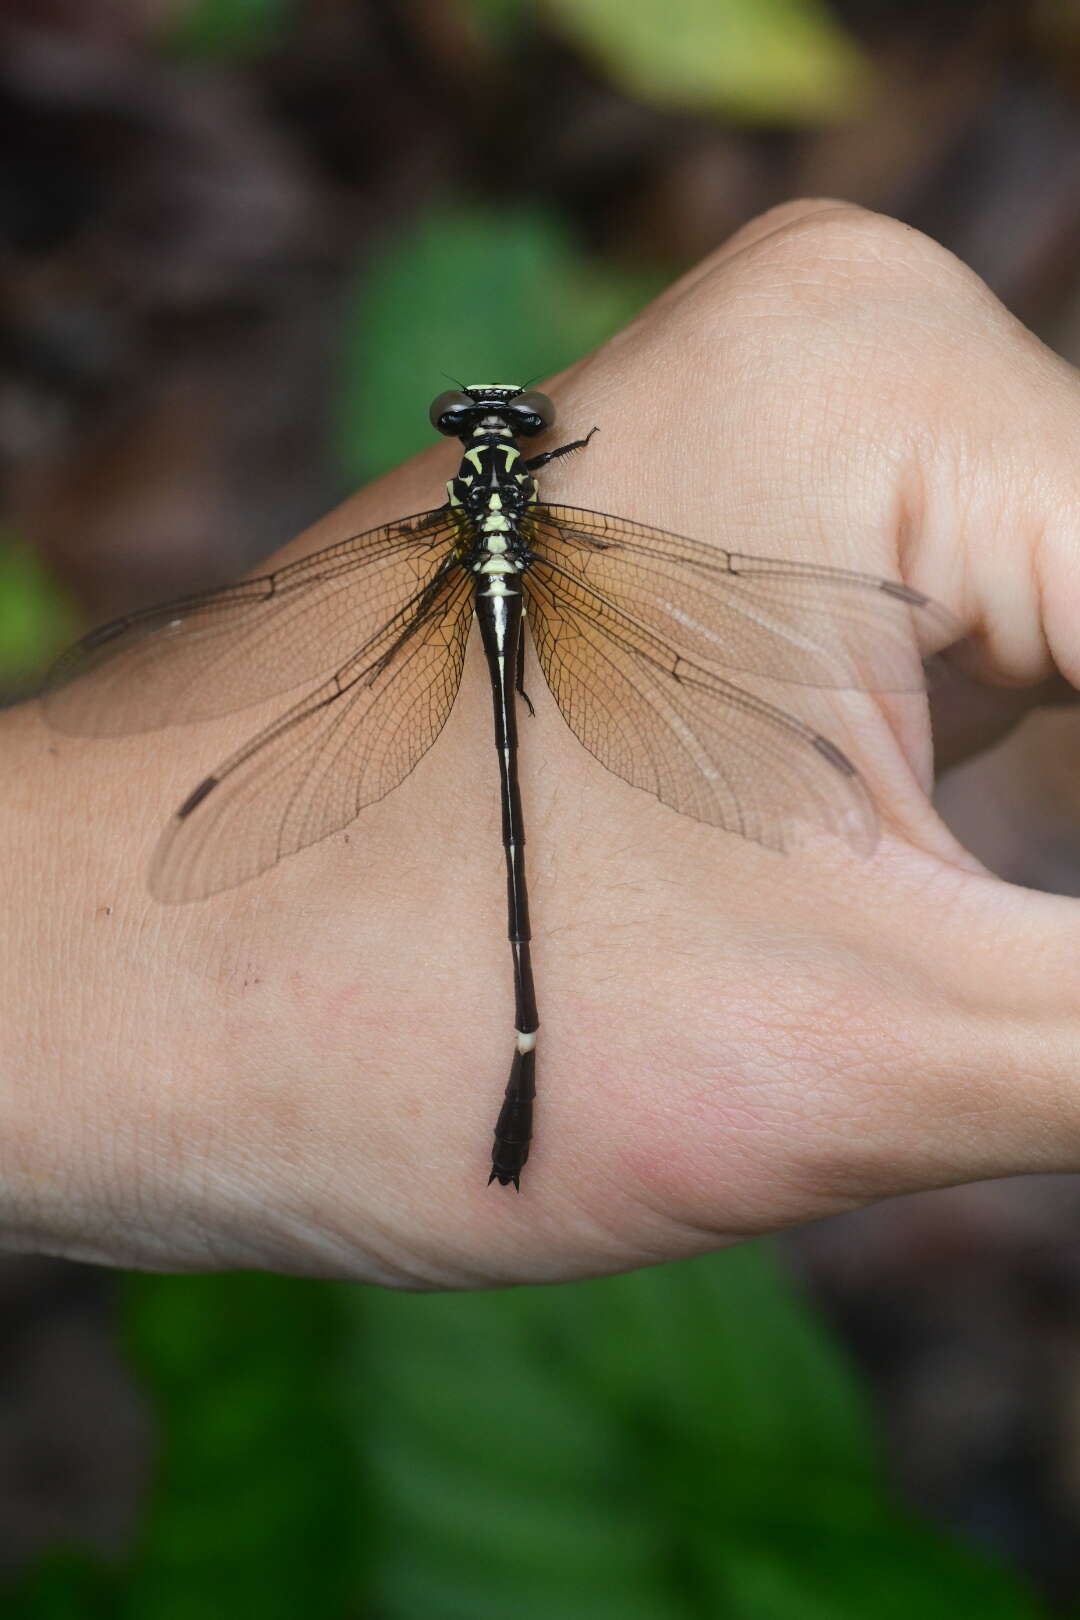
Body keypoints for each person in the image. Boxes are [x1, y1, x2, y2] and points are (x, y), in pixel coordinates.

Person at [4, 199, 1078, 1287]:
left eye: (499, 417)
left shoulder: (458, 513)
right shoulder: (535, 492)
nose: (488, 423)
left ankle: (524, 1050)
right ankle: (516, 1043)